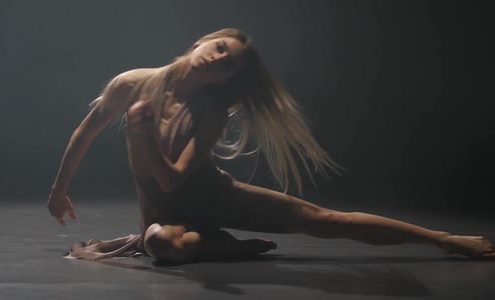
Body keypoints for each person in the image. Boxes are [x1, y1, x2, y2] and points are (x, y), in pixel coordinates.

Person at [47, 28, 494, 263]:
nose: (218, 56)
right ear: (202, 41)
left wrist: (144, 137)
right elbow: (84, 131)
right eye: (220, 47)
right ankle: (229, 248)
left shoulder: (209, 112)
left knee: (324, 219)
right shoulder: (131, 84)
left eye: (229, 61)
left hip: (214, 197)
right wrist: (59, 189)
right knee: (162, 246)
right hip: (164, 217)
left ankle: (447, 241)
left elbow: (173, 178)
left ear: (226, 80)